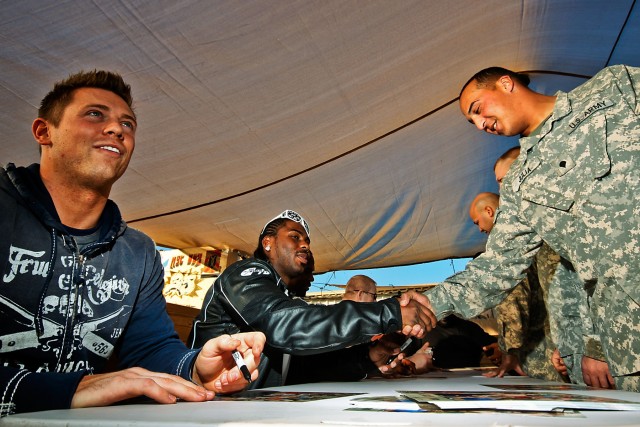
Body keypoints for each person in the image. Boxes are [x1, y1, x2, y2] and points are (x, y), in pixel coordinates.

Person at [0, 70, 266, 417]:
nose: (117, 129)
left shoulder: (138, 252)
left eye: (128, 124)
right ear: (44, 131)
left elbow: (151, 348)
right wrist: (67, 389)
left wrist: (197, 369)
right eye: (95, 114)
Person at [424, 64, 639, 391]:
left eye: (478, 109)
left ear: (506, 84)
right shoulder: (520, 184)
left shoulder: (613, 89)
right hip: (626, 347)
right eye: (474, 123)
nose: (481, 125)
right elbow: (497, 268)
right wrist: (426, 305)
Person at [189, 209, 436, 388]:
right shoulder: (244, 274)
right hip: (210, 408)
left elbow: (301, 370)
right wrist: (389, 311)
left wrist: (367, 358)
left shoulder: (288, 299)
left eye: (307, 241)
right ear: (267, 243)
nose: (305, 245)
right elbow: (286, 325)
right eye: (295, 237)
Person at [493, 146, 611, 387]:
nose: (502, 190)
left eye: (504, 181)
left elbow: (514, 296)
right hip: (572, 349)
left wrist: (594, 346)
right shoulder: (543, 223)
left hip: (598, 351)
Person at [470, 192, 563, 382]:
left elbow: (513, 299)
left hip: (539, 353)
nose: (479, 229)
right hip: (559, 342)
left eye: (477, 222)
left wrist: (509, 351)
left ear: (489, 211)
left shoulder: (506, 239)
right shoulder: (535, 229)